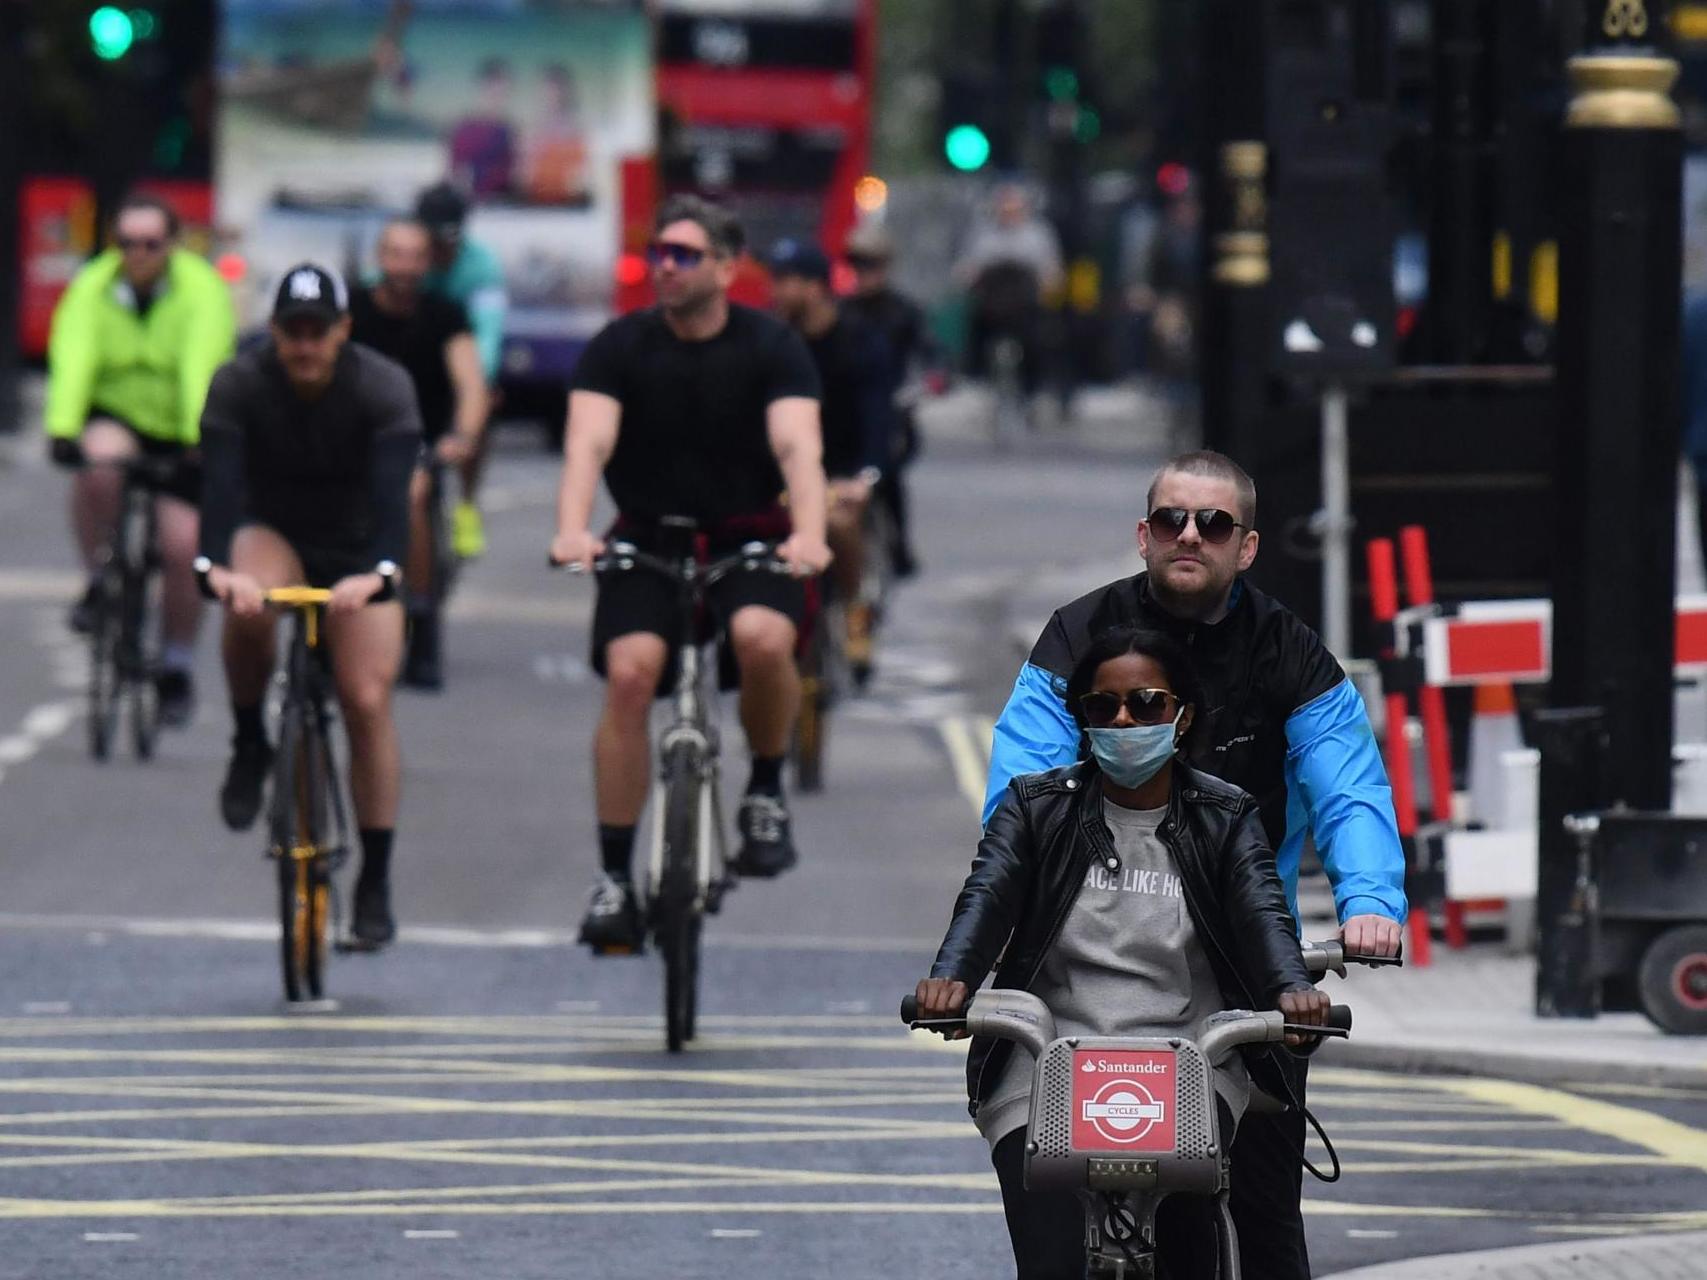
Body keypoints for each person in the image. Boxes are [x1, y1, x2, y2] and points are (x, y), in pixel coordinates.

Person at [984, 449, 1406, 1280]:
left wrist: (1369, 901)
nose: (1190, 535)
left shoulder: (1289, 651)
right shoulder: (1075, 634)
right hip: (1086, 956)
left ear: (1243, 548)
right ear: (1142, 535)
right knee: (1046, 1220)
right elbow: (1019, 795)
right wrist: (1006, 900)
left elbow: (1348, 786)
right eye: (1172, 519)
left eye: (1212, 524)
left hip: (1239, 964)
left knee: (1265, 1219)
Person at [919, 626, 1330, 1278]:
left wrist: (1289, 993)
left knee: (1189, 1252)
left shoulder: (1223, 815)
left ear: (1181, 713)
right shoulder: (1034, 808)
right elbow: (986, 895)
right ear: (1082, 718)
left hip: (1187, 1063)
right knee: (1049, 1260)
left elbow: (1261, 911)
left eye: (1145, 704)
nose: (1122, 720)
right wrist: (950, 980)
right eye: (1100, 707)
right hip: (1045, 1063)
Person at [549, 195, 831, 952]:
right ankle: (614, 877)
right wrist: (572, 529)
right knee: (631, 674)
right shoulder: (619, 345)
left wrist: (808, 533)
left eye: (681, 254)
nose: (663, 267)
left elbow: (798, 449)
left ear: (726, 267)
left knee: (763, 637)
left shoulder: (771, 347)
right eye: (658, 253)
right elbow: (587, 446)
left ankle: (765, 789)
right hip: (648, 537)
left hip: (749, 535)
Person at [195, 263, 421, 949]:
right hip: (276, 532)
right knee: (250, 606)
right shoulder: (238, 385)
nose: (304, 346)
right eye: (291, 332)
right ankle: (248, 738)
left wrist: (378, 576)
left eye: (317, 332)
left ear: (343, 331)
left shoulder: (383, 389)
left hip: (358, 549)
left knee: (365, 697)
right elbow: (220, 499)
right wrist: (216, 573)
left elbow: (393, 512)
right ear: (272, 332)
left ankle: (375, 877)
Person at [45, 192, 237, 726]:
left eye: (151, 243)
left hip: (183, 429)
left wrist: (201, 439)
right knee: (99, 462)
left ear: (172, 244)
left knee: (183, 548)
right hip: (120, 415)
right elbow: (74, 353)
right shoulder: (94, 286)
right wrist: (63, 429)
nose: (138, 254)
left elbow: (202, 361)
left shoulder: (201, 290)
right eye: (126, 243)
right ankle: (99, 578)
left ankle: (175, 663)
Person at [349, 218, 490, 690]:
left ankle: (423, 620)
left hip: (418, 443)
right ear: (379, 258)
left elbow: (471, 384)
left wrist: (464, 436)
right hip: (352, 439)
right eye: (396, 254)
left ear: (428, 262)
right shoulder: (352, 309)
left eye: (415, 256)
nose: (404, 267)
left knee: (411, 494)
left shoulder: (445, 314)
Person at [768, 237, 892, 682]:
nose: (777, 291)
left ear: (817, 287)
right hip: (782, 471)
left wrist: (866, 476)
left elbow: (878, 416)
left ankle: (856, 609)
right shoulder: (773, 341)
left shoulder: (858, 341)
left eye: (789, 282)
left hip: (842, 468)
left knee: (839, 524)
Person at [416, 182, 508, 559]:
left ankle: (467, 503)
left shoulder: (481, 265)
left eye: (448, 240)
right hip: (416, 357)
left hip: (462, 357)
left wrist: (477, 386)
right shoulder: (406, 257)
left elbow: (488, 332)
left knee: (481, 405)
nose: (441, 250)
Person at [842, 221, 936, 579]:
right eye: (857, 264)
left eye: (871, 264)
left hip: (893, 411)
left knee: (890, 477)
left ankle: (899, 546)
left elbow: (930, 353)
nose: (863, 273)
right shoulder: (842, 311)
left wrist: (925, 383)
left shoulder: (903, 311)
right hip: (850, 412)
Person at [953, 184, 1064, 401]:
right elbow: (966, 268)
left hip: (1026, 307)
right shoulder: (983, 235)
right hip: (992, 308)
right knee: (975, 333)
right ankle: (977, 377)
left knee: (1039, 341)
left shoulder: (1038, 235)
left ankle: (1033, 391)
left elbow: (1051, 270)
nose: (1009, 214)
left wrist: (1048, 284)